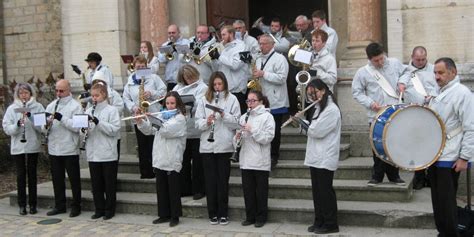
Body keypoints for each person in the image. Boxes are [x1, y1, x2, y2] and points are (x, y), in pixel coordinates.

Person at [427, 57, 474, 237]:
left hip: (451, 156)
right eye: (435, 73)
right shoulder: (438, 92)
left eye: (441, 72)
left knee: (447, 202)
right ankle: (443, 232)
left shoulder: (462, 93)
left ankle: (451, 233)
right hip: (434, 154)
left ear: (453, 72)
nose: (437, 76)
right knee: (438, 202)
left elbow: (471, 127)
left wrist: (464, 157)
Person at [351, 42, 408, 186]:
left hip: (394, 111)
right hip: (376, 113)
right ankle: (377, 176)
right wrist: (370, 103)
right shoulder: (363, 72)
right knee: (377, 145)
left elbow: (407, 72)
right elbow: (356, 92)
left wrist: (402, 82)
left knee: (394, 143)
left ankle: (394, 175)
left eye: (381, 58)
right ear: (369, 59)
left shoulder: (394, 63)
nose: (380, 62)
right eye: (376, 60)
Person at [195, 72, 241, 225]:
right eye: (214, 85)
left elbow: (236, 122)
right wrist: (207, 122)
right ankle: (212, 213)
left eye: (220, 84)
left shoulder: (232, 99)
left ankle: (223, 213)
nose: (217, 88)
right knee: (210, 182)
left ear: (224, 84)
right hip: (207, 147)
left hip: (224, 146)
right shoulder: (203, 100)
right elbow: (198, 124)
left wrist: (224, 114)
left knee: (222, 182)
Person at [136, 91, 187, 227]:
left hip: (172, 158)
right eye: (167, 103)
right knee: (161, 189)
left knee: (173, 189)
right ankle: (163, 214)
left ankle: (175, 216)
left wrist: (153, 120)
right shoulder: (162, 116)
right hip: (160, 157)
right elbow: (149, 131)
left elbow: (167, 131)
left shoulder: (180, 118)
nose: (169, 106)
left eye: (172, 103)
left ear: (178, 104)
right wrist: (141, 121)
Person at [304, 79, 341, 234]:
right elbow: (314, 128)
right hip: (316, 155)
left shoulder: (331, 109)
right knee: (317, 191)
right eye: (310, 95)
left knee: (325, 191)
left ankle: (331, 223)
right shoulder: (319, 107)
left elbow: (317, 131)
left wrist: (304, 124)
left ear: (323, 90)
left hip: (326, 155)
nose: (313, 97)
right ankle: (319, 220)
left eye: (314, 93)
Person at [2, 83, 45, 215]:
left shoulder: (37, 107)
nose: (24, 96)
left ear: (30, 94)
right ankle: (22, 205)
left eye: (26, 93)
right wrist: (17, 125)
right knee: (21, 175)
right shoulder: (12, 108)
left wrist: (31, 117)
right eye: (21, 93)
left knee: (32, 175)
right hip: (18, 146)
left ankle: (33, 204)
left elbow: (41, 127)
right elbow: (7, 128)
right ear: (17, 95)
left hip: (32, 145)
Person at [123, 55, 167, 179]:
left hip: (153, 114)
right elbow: (126, 98)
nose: (141, 68)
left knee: (154, 143)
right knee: (142, 145)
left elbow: (164, 92)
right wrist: (133, 107)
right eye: (138, 67)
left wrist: (152, 93)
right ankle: (145, 171)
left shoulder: (154, 78)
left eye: (143, 66)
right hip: (139, 116)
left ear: (146, 67)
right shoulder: (130, 82)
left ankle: (156, 169)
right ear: (134, 67)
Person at [44, 79, 83, 217]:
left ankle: (76, 206)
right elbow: (42, 128)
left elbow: (78, 127)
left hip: (70, 147)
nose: (59, 93)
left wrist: (62, 119)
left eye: (62, 91)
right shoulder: (51, 106)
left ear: (68, 90)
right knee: (57, 179)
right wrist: (45, 124)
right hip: (54, 147)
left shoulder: (76, 106)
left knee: (74, 179)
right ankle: (59, 205)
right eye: (57, 91)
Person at [237, 90, 275, 228]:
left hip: (260, 160)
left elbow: (268, 138)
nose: (250, 103)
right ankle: (250, 216)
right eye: (248, 101)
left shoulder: (267, 117)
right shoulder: (243, 117)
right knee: (248, 191)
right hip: (246, 159)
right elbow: (239, 142)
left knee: (261, 192)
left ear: (261, 102)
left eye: (253, 100)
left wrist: (252, 130)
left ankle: (261, 217)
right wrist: (236, 139)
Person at [83, 82, 121, 220]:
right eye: (92, 96)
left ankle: (110, 210)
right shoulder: (88, 111)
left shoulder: (112, 110)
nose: (94, 98)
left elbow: (114, 130)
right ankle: (99, 209)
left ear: (103, 95)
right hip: (93, 152)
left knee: (109, 184)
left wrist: (98, 122)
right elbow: (81, 132)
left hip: (107, 153)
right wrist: (83, 129)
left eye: (96, 95)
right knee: (96, 184)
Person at [402, 46, 438, 190]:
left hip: (432, 113)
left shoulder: (434, 69)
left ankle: (431, 177)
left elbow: (439, 87)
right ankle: (419, 177)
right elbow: (400, 89)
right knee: (416, 145)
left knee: (432, 145)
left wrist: (432, 95)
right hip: (414, 114)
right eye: (418, 59)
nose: (421, 62)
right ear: (412, 57)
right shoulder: (405, 71)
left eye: (423, 59)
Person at [252, 34, 289, 168]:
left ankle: (274, 155)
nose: (261, 46)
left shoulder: (280, 59)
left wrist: (263, 74)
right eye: (260, 44)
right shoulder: (258, 59)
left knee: (274, 130)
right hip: (262, 98)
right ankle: (263, 154)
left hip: (276, 99)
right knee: (262, 128)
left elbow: (282, 78)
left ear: (272, 44)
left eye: (264, 44)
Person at [172, 65, 208, 199]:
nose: (189, 80)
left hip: (196, 130)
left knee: (198, 163)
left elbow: (200, 104)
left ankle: (199, 189)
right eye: (186, 78)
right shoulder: (178, 88)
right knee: (184, 161)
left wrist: (186, 105)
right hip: (182, 130)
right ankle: (185, 188)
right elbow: (172, 100)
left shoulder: (202, 87)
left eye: (191, 77)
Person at [209, 25, 247, 114]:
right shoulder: (225, 48)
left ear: (231, 34)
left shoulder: (241, 46)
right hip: (226, 88)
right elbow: (218, 69)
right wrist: (214, 59)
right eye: (221, 35)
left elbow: (235, 65)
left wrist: (219, 56)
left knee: (237, 117)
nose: (222, 37)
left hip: (237, 89)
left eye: (224, 35)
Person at [90, 72, 124, 161]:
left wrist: (107, 109)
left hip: (109, 128)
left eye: (99, 81)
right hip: (96, 137)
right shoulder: (93, 98)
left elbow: (120, 107)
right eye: (95, 82)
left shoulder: (113, 94)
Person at [158, 24, 191, 91]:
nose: (171, 35)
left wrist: (179, 50)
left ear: (179, 33)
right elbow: (161, 60)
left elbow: (189, 58)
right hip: (171, 81)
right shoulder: (165, 45)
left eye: (173, 33)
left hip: (184, 79)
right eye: (169, 33)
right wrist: (168, 51)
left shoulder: (186, 42)